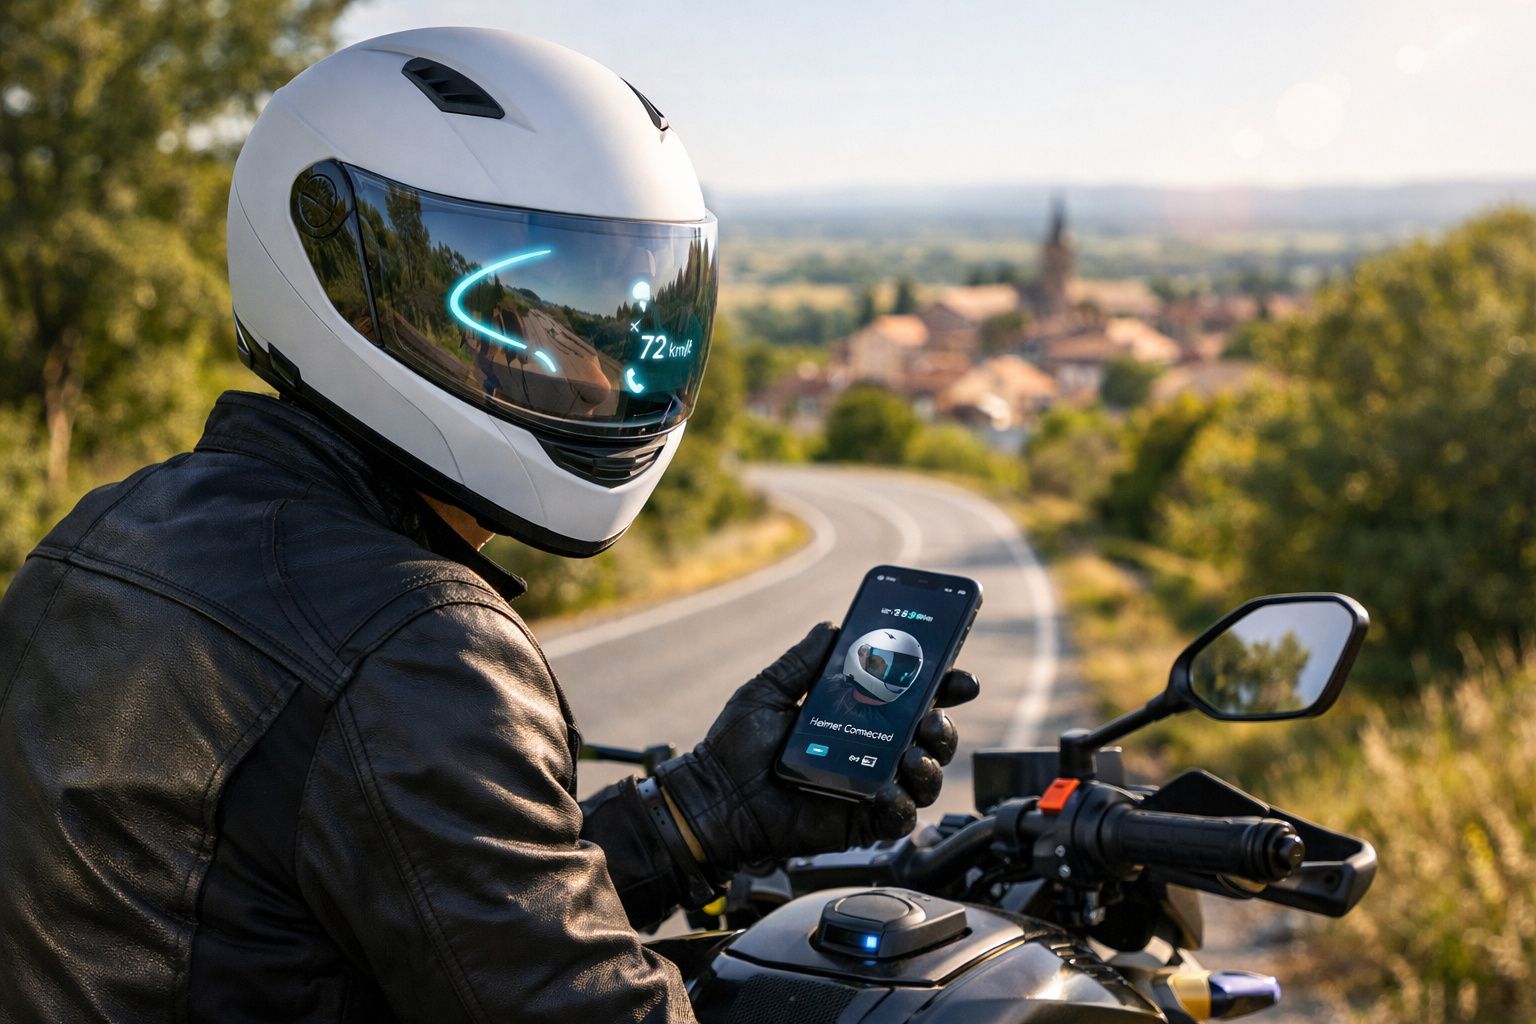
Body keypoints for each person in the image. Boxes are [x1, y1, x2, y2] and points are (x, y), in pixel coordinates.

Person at [0, 28, 980, 1023]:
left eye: (633, 317)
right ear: (342, 274)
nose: (607, 379)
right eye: (520, 317)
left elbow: (428, 909)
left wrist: (698, 812)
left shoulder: (99, 536)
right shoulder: (414, 649)